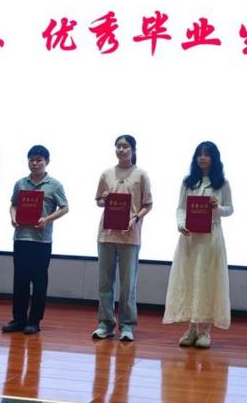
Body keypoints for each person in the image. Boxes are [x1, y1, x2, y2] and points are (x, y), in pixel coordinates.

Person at [163, 141, 233, 348]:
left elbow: (230, 209)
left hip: (211, 237)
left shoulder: (222, 183)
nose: (202, 158)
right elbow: (180, 208)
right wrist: (180, 224)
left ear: (214, 158)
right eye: (199, 154)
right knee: (190, 280)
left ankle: (205, 331)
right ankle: (191, 329)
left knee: (208, 281)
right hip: (190, 238)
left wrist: (218, 208)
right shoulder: (188, 182)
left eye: (207, 154)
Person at [2, 145, 69, 335]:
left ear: (47, 162)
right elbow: (13, 205)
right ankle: (18, 319)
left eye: (39, 159)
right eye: (31, 159)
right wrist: (13, 217)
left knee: (39, 282)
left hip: (42, 241)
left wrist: (47, 219)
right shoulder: (20, 183)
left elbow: (65, 208)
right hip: (21, 238)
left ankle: (34, 321)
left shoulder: (54, 185)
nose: (35, 163)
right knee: (20, 281)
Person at [92, 134, 153, 342]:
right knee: (105, 282)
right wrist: (104, 199)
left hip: (130, 235)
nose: (121, 149)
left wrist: (136, 218)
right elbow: (99, 201)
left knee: (128, 285)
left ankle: (127, 325)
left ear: (133, 150)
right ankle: (105, 324)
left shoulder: (141, 174)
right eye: (118, 146)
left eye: (125, 146)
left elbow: (148, 204)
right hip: (107, 234)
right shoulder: (106, 173)